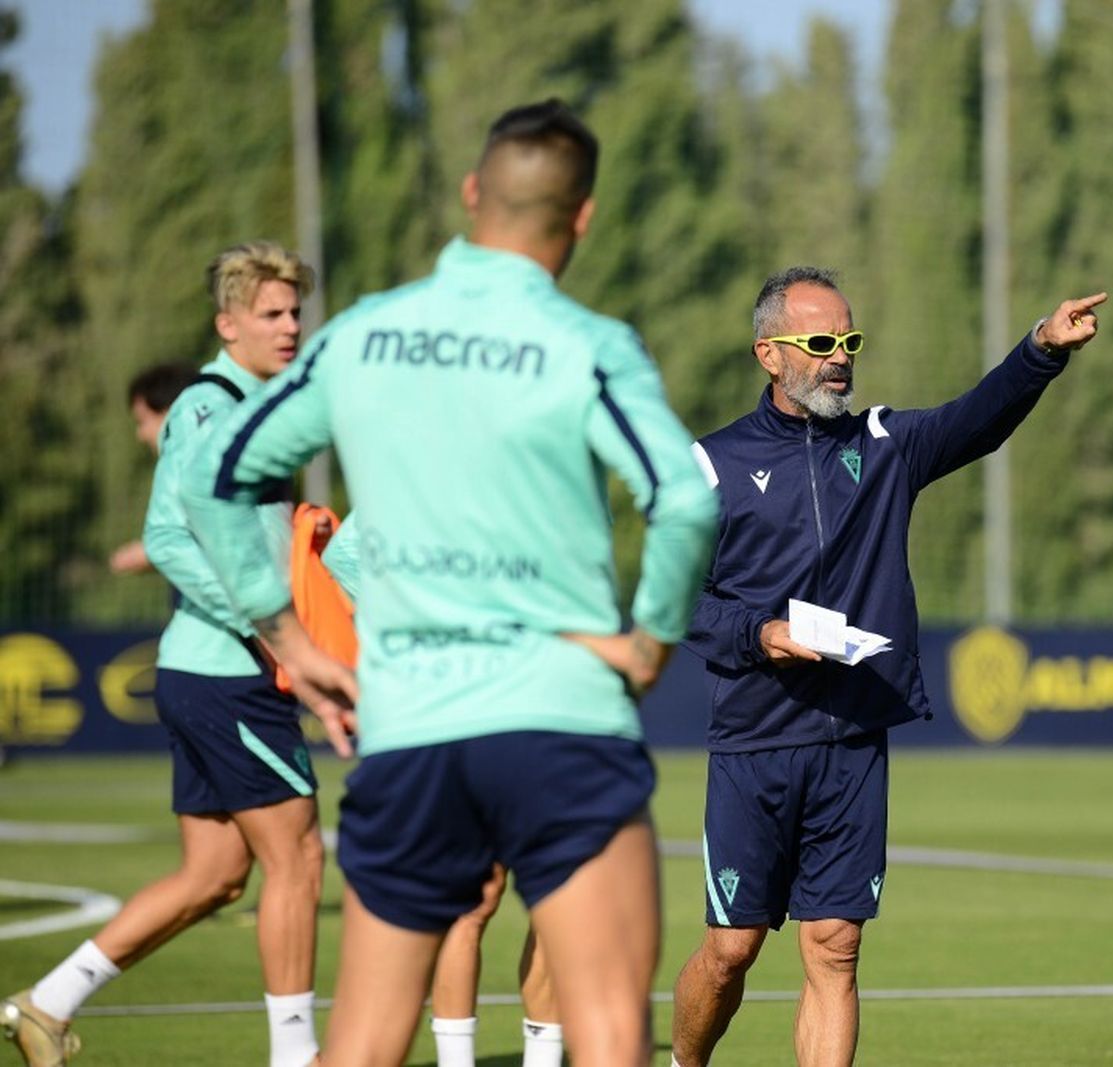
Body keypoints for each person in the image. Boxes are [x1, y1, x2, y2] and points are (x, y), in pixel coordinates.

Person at [179, 100, 719, 1067]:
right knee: (607, 1035)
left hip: (411, 726)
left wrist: (290, 645)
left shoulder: (364, 335)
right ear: (583, 218)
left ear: (474, 193)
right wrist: (648, 643)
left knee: (366, 1043)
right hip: (562, 722)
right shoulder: (589, 342)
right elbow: (681, 499)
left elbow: (219, 482)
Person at [671, 266, 1106, 1067]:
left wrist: (1042, 348)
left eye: (849, 340)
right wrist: (761, 631)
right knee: (731, 950)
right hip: (754, 744)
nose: (840, 357)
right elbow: (677, 603)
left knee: (834, 947)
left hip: (853, 739)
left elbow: (979, 420)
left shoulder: (887, 445)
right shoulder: (712, 463)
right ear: (769, 353)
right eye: (821, 342)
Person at [3, 241, 323, 1067]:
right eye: (272, 313)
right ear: (229, 324)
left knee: (215, 874)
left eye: (296, 311)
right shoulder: (210, 408)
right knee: (297, 857)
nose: (290, 326)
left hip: (211, 670)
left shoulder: (262, 406)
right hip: (227, 671)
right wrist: (263, 623)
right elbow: (167, 538)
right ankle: (298, 1059)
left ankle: (48, 1001)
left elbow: (259, 538)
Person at [320, 514, 566, 1067]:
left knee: (555, 892)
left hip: (543, 696)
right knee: (475, 899)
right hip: (458, 707)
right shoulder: (423, 462)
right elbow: (344, 555)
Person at [111, 362, 202, 575]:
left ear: (170, 412)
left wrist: (151, 553)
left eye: (143, 421)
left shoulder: (197, 470)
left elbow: (216, 539)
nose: (141, 435)